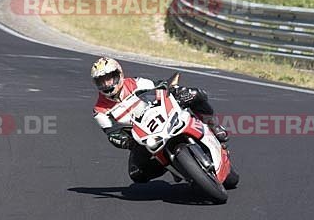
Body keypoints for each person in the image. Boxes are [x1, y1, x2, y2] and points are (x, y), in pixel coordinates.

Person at [91, 56, 228, 183]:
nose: (107, 84)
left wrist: (173, 89)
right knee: (137, 174)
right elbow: (111, 132)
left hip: (162, 115)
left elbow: (160, 86)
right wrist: (125, 141)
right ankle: (173, 166)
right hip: (142, 139)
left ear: (119, 74)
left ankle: (213, 125)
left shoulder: (135, 83)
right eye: (101, 81)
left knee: (194, 94)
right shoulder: (99, 110)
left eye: (109, 78)